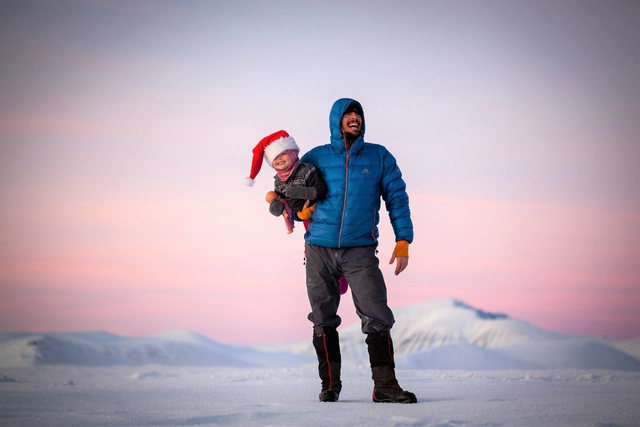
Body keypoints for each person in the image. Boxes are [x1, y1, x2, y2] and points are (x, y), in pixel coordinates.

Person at [299, 98, 416, 404]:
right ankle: (330, 384)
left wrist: (403, 238)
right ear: (336, 120)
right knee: (322, 317)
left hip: (360, 249)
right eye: (348, 113)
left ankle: (385, 386)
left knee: (376, 313)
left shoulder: (379, 157)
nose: (354, 118)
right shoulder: (316, 157)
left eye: (358, 114)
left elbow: (397, 197)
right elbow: (292, 191)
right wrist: (294, 210)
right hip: (319, 248)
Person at [245, 130, 350, 295]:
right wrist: (279, 207)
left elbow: (321, 190)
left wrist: (300, 194)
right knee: (317, 249)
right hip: (307, 218)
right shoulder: (278, 181)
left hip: (323, 212)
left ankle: (341, 281)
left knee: (332, 246)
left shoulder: (307, 170)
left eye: (282, 154)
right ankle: (331, 283)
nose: (279, 159)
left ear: (292, 153)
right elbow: (284, 203)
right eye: (275, 158)